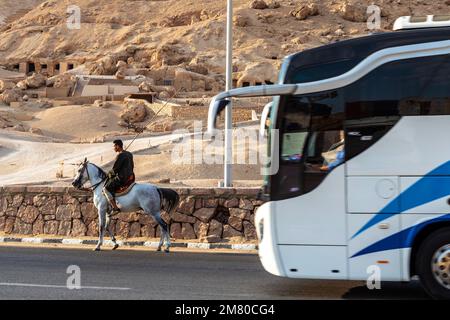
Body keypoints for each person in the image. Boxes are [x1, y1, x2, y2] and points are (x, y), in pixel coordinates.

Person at [103, 139, 135, 215]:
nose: (113, 148)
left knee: (106, 189)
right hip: (131, 177)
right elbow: (132, 166)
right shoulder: (129, 154)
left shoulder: (120, 155)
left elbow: (115, 170)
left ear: (117, 146)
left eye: (114, 146)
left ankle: (115, 208)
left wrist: (108, 175)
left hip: (122, 178)